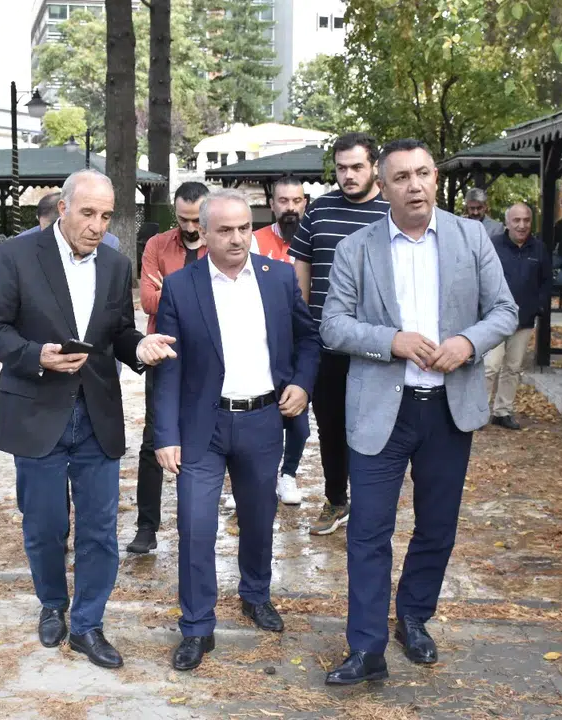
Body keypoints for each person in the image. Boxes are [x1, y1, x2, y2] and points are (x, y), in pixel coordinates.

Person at [319, 139, 517, 686]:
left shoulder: (470, 237)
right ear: (382, 187)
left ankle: (413, 618)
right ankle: (366, 648)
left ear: (435, 179)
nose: (415, 185)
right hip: (381, 409)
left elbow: (505, 310)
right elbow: (333, 326)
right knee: (368, 531)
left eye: (424, 173)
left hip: (448, 411)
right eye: (402, 177)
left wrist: (468, 343)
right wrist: (392, 341)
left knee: (436, 526)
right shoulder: (356, 248)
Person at [0, 169, 177, 670]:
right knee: (45, 526)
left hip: (97, 415)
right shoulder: (17, 255)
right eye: (88, 213)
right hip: (37, 411)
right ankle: (52, 603)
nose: (97, 225)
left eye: (106, 216)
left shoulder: (115, 264)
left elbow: (119, 332)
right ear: (63, 208)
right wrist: (35, 355)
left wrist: (140, 347)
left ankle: (88, 624)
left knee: (100, 530)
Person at [152, 189, 320, 671]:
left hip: (263, 420)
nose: (237, 238)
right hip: (201, 426)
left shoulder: (278, 277)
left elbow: (309, 339)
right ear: (202, 233)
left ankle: (256, 594)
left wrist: (302, 384)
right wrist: (165, 434)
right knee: (195, 526)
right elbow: (168, 368)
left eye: (244, 228)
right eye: (224, 230)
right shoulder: (181, 287)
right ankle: (196, 625)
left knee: (259, 517)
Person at [288, 132, 390, 537]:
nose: (348, 175)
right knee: (329, 425)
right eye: (342, 168)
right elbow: (302, 267)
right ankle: (336, 499)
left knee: (371, 427)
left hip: (375, 345)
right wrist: (301, 327)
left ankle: (368, 504)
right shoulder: (320, 210)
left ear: (374, 167)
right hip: (325, 342)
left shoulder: (392, 212)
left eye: (357, 167)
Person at [128, 181, 211, 555]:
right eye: (183, 219)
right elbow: (148, 301)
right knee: (153, 439)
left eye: (196, 220)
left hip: (207, 355)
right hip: (163, 353)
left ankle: (194, 524)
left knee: (203, 440)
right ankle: (146, 526)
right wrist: (195, 291)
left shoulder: (219, 243)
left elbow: (225, 296)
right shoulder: (157, 245)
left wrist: (172, 289)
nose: (190, 227)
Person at [253, 175, 312, 505]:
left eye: (297, 201)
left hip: (301, 344)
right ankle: (250, 479)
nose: (291, 208)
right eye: (284, 201)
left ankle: (288, 474)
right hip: (261, 345)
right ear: (272, 205)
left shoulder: (315, 239)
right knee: (257, 418)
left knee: (299, 423)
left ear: (305, 203)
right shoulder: (254, 240)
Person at [485, 203, 552, 431]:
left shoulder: (539, 249)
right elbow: (481, 277)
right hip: (494, 318)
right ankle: (479, 411)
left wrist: (538, 307)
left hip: (523, 320)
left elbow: (546, 282)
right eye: (516, 220)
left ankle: (502, 411)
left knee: (512, 368)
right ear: (507, 223)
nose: (522, 225)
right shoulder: (493, 246)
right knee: (490, 366)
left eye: (526, 220)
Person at [16, 192, 119, 249]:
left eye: (57, 229)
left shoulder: (107, 242)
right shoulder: (21, 243)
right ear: (37, 218)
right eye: (45, 230)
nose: (51, 235)